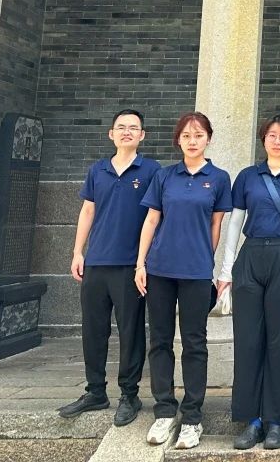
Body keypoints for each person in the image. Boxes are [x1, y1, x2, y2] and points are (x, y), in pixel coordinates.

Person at [215, 114, 280, 451]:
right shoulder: (248, 176)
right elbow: (235, 224)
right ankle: (252, 420)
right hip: (251, 257)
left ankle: (276, 421)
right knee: (248, 342)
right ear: (263, 139)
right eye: (272, 135)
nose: (277, 140)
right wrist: (226, 270)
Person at [134, 112, 232, 451]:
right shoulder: (164, 176)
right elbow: (151, 220)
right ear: (178, 140)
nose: (192, 141)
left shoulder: (218, 178)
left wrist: (206, 259)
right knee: (159, 340)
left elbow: (216, 225)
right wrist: (140, 264)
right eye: (187, 135)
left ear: (208, 139)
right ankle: (164, 410)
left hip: (196, 272)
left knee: (194, 343)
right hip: (160, 269)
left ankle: (192, 417)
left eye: (199, 135)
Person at [59, 109, 161, 426]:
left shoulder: (152, 171)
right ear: (111, 134)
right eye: (121, 127)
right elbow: (87, 211)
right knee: (93, 329)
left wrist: (145, 261)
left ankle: (129, 394)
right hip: (96, 262)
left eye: (133, 128)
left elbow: (156, 217)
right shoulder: (98, 170)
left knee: (130, 331)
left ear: (142, 135)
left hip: (130, 265)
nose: (127, 131)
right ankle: (95, 391)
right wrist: (78, 252)